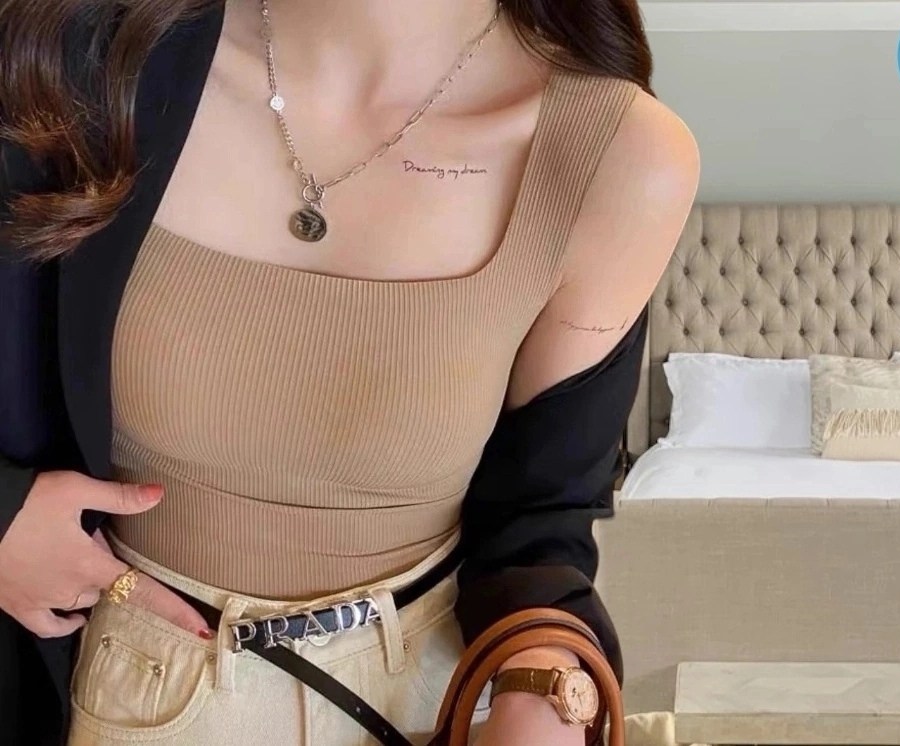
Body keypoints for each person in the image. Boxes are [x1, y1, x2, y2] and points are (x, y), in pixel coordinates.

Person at [0, 0, 699, 744]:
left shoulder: (617, 155)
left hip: (430, 704)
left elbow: (542, 515)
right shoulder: (66, 56)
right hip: (105, 682)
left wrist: (541, 693)